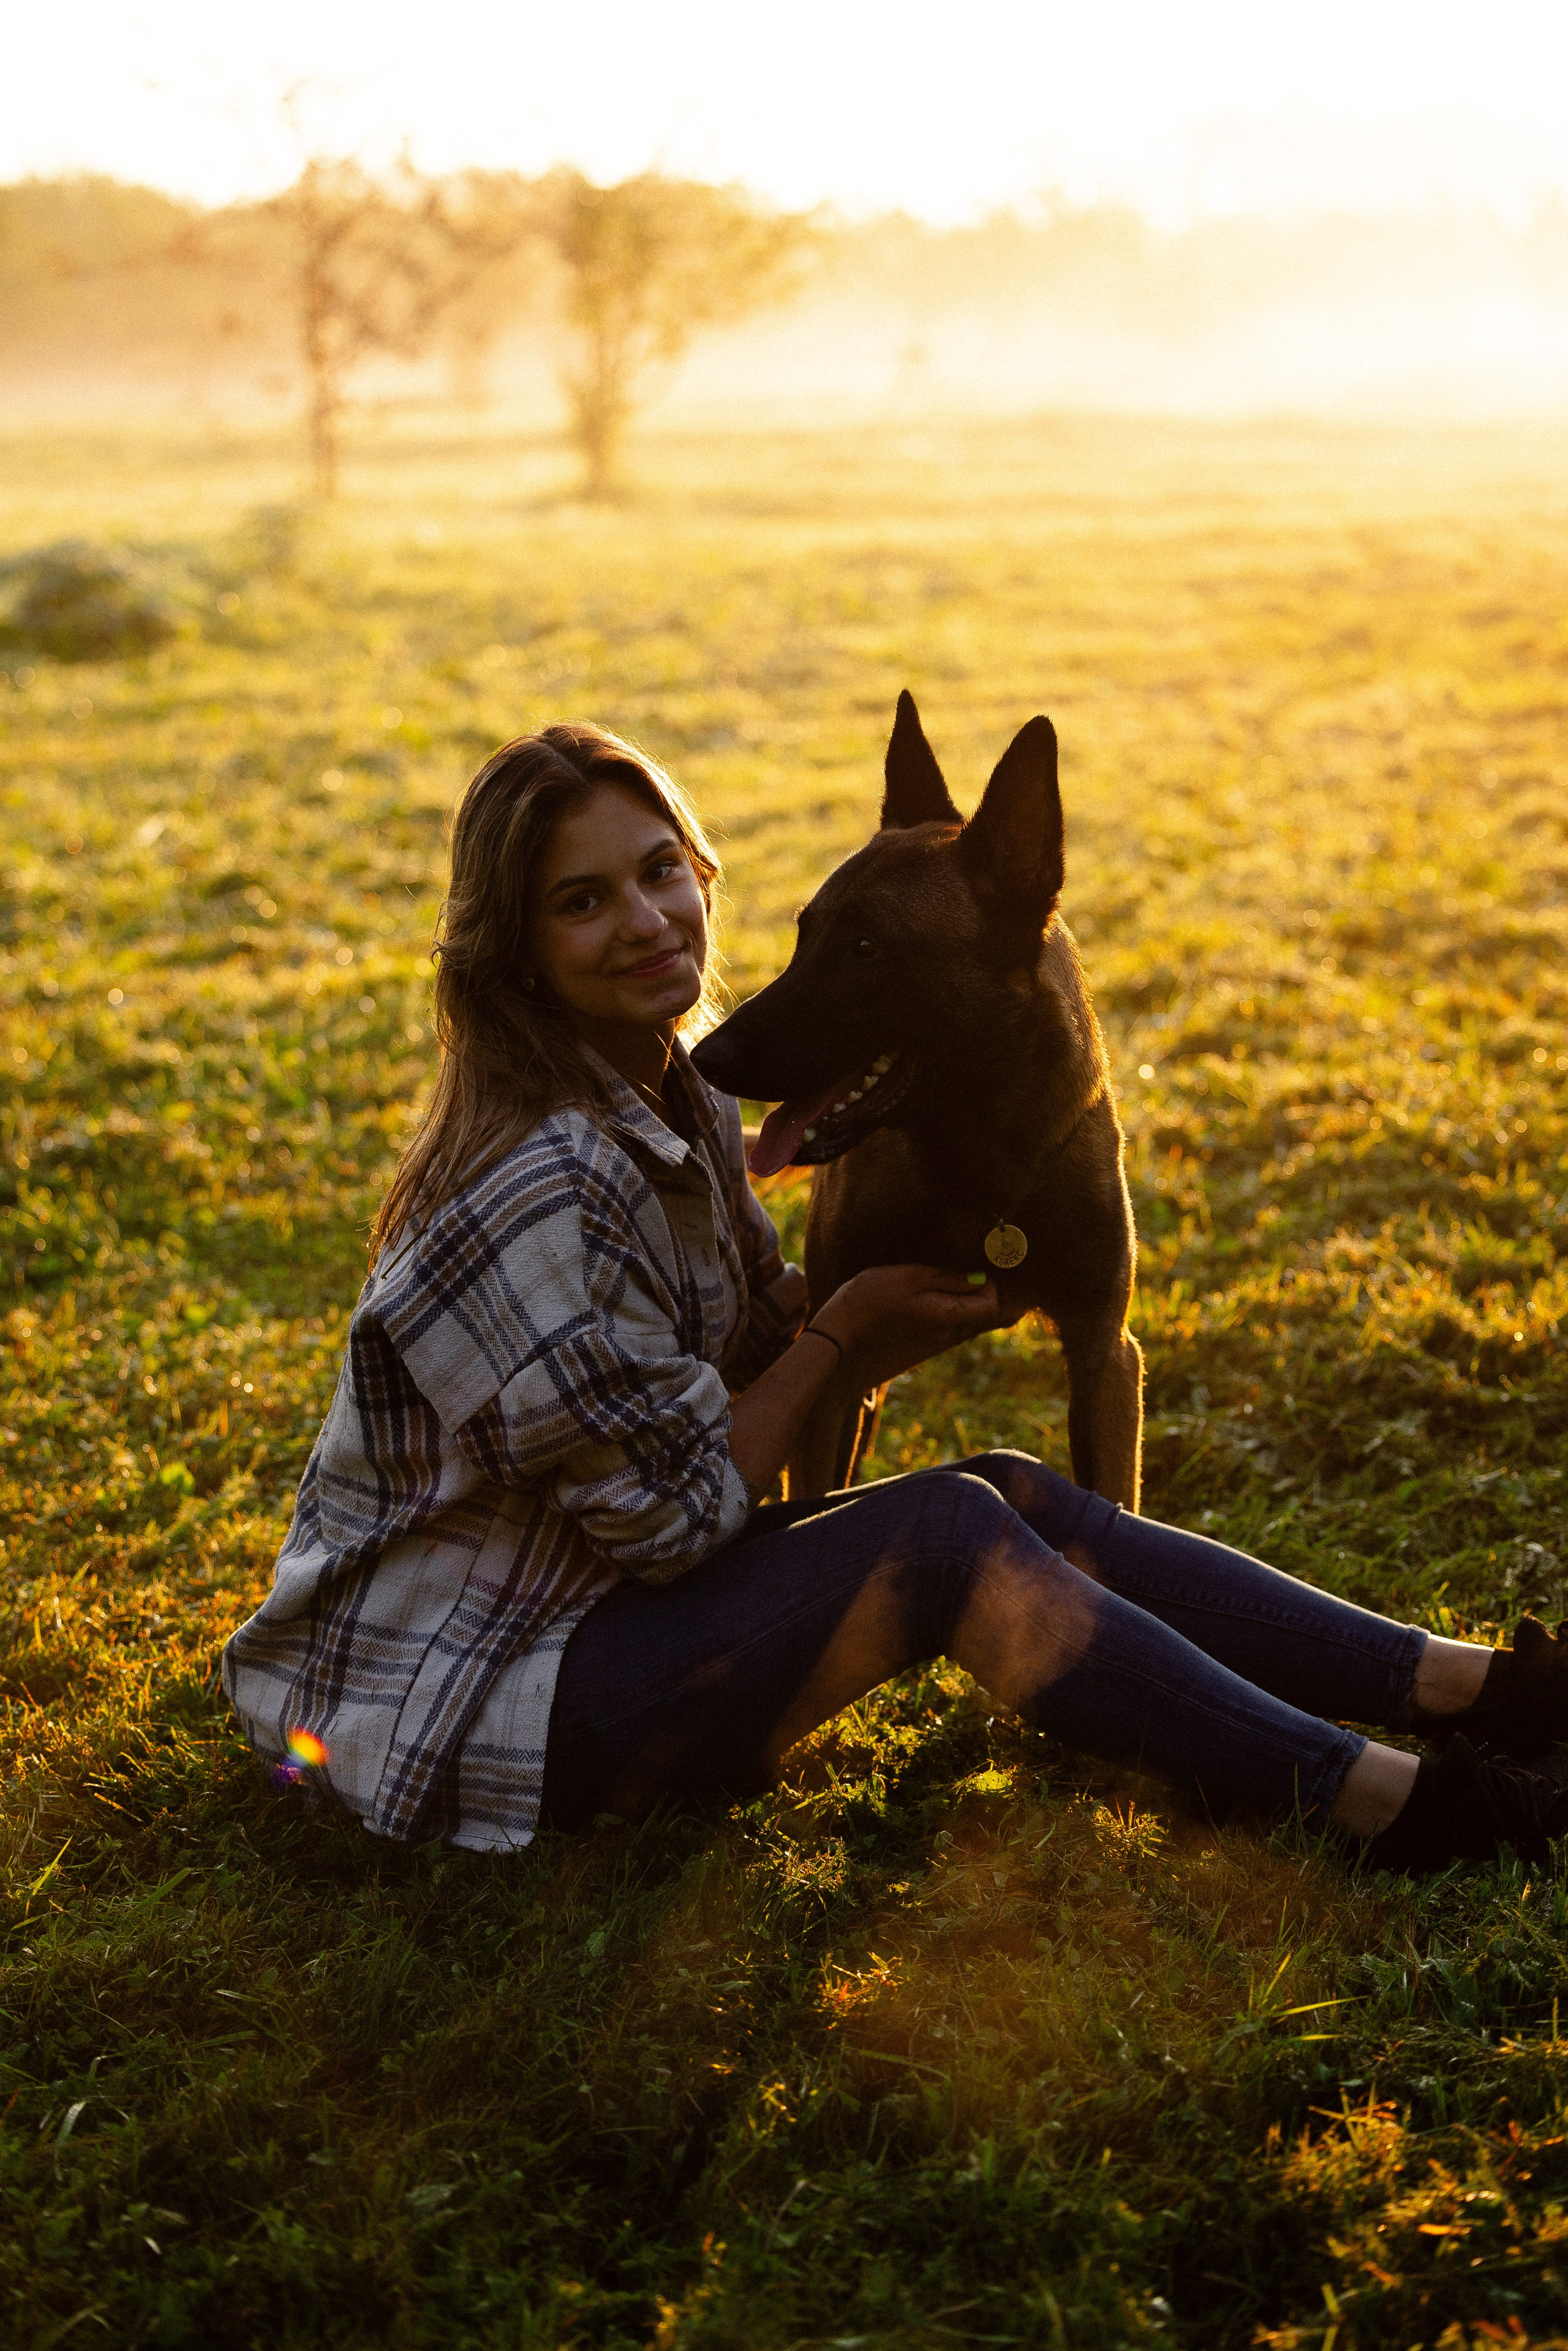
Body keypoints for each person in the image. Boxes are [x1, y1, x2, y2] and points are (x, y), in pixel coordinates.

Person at [223, 724, 1568, 1873]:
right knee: (938, 1535)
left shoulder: (664, 1085)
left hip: (578, 1623)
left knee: (1004, 1484)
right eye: (581, 902)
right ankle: (1395, 1803)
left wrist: (855, 1304)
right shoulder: (528, 1185)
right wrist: (843, 1333)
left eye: (656, 871)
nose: (643, 921)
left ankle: (1479, 1685)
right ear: (513, 950)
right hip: (464, 1707)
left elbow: (746, 1321)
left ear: (699, 869)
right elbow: (677, 1518)